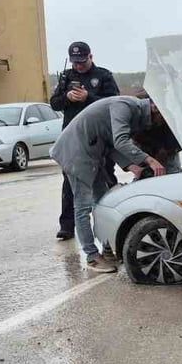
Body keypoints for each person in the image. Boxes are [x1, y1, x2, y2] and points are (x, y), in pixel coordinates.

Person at [50, 95, 167, 272]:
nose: (155, 125)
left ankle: (106, 247)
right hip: (76, 153)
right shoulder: (125, 106)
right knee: (82, 207)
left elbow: (110, 141)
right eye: (159, 120)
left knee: (102, 201)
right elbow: (120, 140)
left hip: (91, 152)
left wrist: (131, 166)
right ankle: (92, 257)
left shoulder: (132, 111)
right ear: (155, 109)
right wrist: (149, 160)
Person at [50, 41, 120, 240]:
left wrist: (88, 97)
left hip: (99, 138)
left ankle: (112, 225)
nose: (78, 66)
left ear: (91, 56)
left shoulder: (103, 76)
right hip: (72, 138)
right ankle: (67, 226)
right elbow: (54, 103)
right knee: (70, 182)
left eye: (82, 61)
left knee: (106, 179)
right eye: (75, 62)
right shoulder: (66, 77)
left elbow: (113, 102)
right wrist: (67, 97)